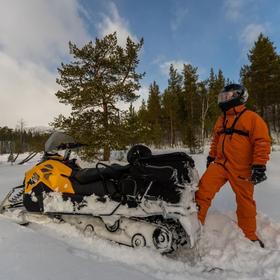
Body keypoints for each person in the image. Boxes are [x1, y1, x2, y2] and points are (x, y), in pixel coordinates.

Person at [195, 83, 271, 248]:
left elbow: (262, 142)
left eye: (227, 96)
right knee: (202, 191)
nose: (223, 100)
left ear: (239, 96)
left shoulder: (252, 118)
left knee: (245, 202)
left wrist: (259, 165)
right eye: (222, 97)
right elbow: (216, 140)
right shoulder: (221, 119)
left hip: (242, 167)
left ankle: (249, 235)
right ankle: (194, 225)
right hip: (220, 164)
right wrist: (211, 157)